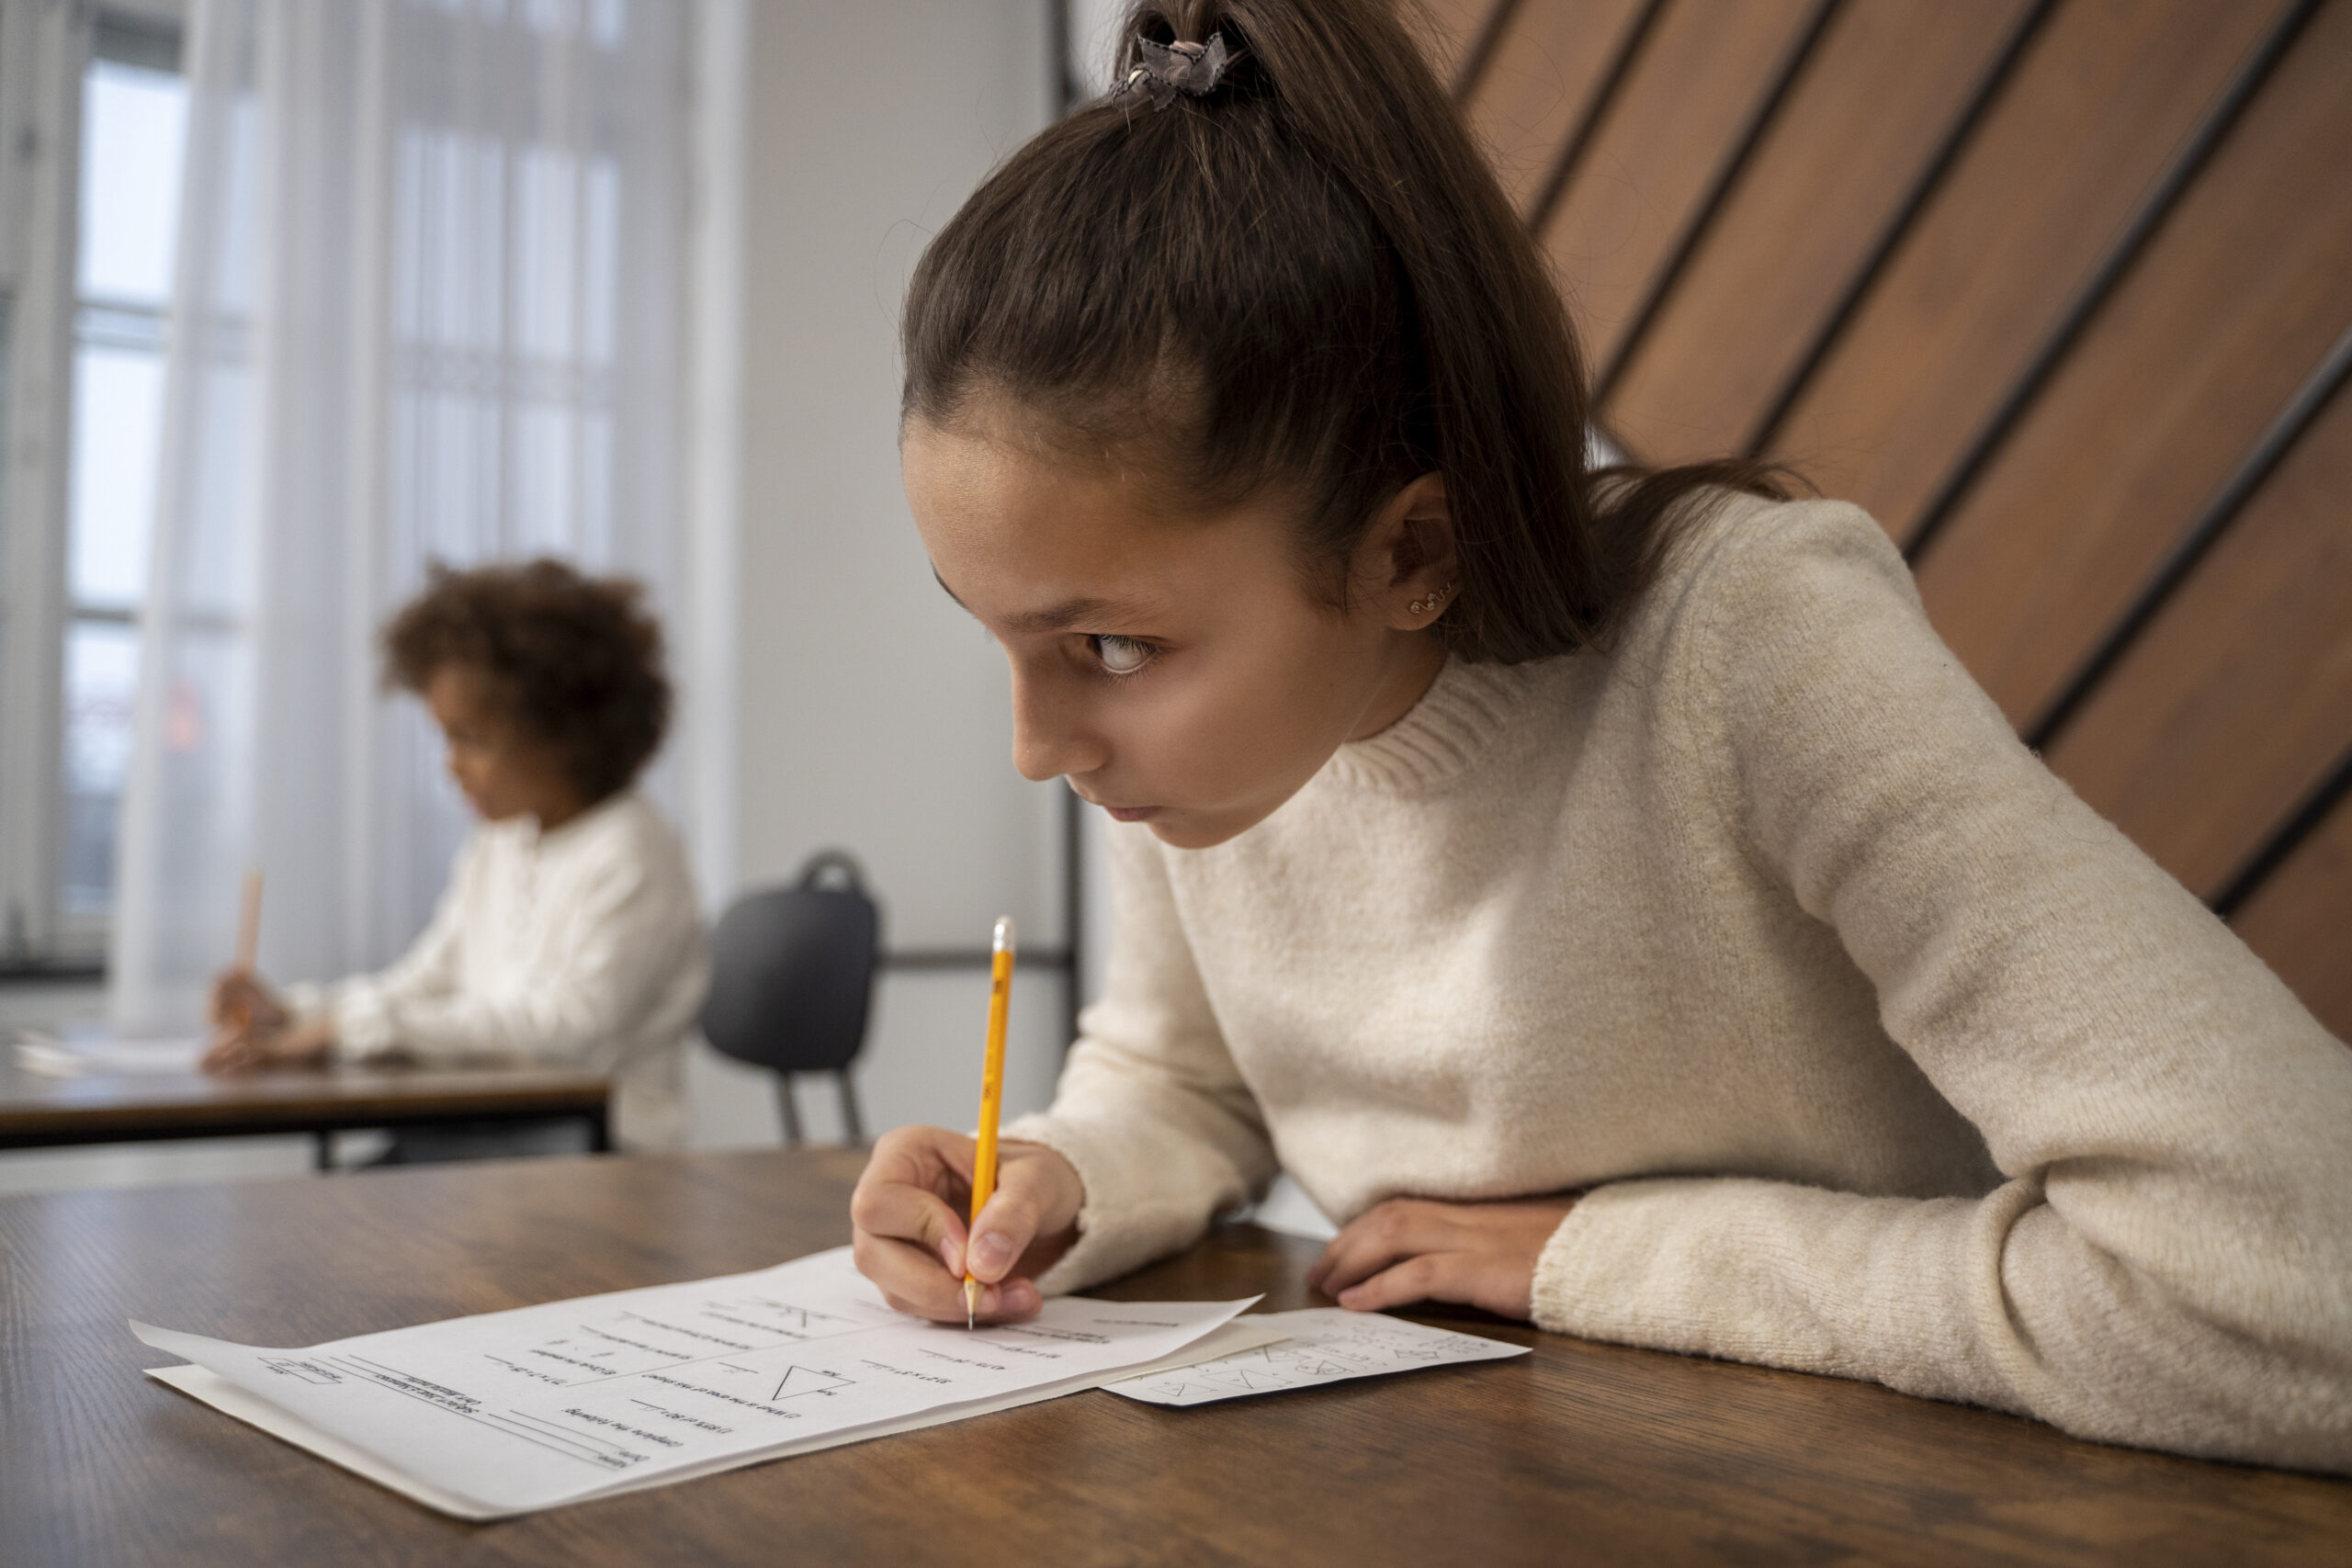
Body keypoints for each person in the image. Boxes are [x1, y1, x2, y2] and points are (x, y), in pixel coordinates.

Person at [848, 0, 2352, 1473]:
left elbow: (2300, 1286)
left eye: (1110, 645)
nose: (1038, 747)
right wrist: (1057, 1178)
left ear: (1409, 552)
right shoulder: (1211, 764)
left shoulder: (1752, 640)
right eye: (997, 632)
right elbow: (1182, 1077)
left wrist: (1615, 1256)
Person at [203, 558, 708, 1155]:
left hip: (596, 1150)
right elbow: (429, 980)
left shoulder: (632, 848)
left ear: (563, 732)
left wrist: (354, 1027)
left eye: (471, 738)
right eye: (445, 737)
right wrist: (297, 1013)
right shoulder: (500, 840)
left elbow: (570, 1031)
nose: (450, 764)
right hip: (491, 1131)